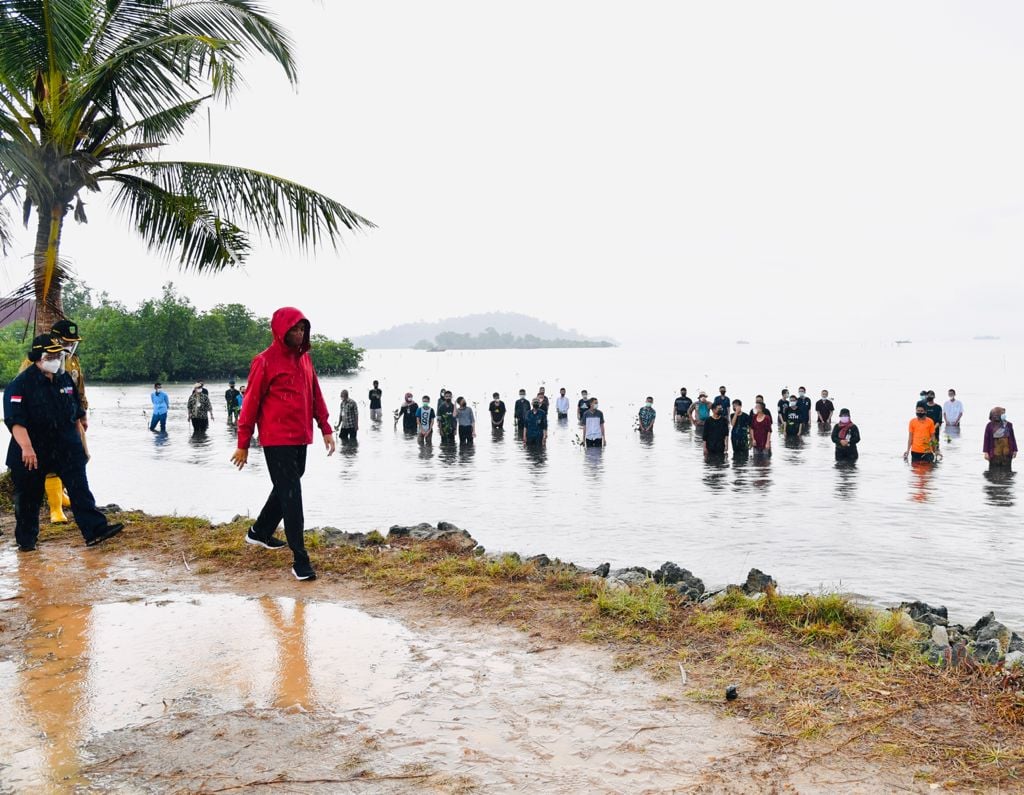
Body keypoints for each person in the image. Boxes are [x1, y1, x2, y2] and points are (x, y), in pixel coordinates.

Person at [231, 307, 335, 582]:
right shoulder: (264, 361)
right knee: (292, 495)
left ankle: (260, 531)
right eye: (294, 330)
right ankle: (300, 559)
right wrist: (243, 443)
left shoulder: (305, 360)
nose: (300, 335)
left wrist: (325, 427)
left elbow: (316, 395)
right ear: (281, 331)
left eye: (303, 329)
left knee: (287, 486)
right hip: (276, 440)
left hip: (301, 436)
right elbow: (250, 403)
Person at [3, 334, 124, 551]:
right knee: (29, 498)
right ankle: (27, 541)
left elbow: (76, 409)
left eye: (59, 355)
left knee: (80, 490)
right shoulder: (20, 385)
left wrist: (81, 430)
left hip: (66, 447)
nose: (56, 359)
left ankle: (95, 530)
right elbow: (15, 421)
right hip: (33, 450)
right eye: (51, 355)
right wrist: (27, 448)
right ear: (38, 357)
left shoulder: (65, 379)